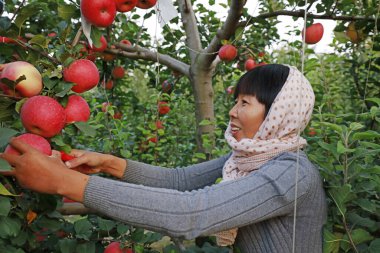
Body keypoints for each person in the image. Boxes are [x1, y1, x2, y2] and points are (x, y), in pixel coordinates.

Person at [0, 64, 327, 253]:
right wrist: (108, 164)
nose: (232, 111)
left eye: (245, 102)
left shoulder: (290, 172)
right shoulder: (251, 160)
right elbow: (181, 181)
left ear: (278, 114)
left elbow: (190, 213)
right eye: (235, 100)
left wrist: (65, 182)